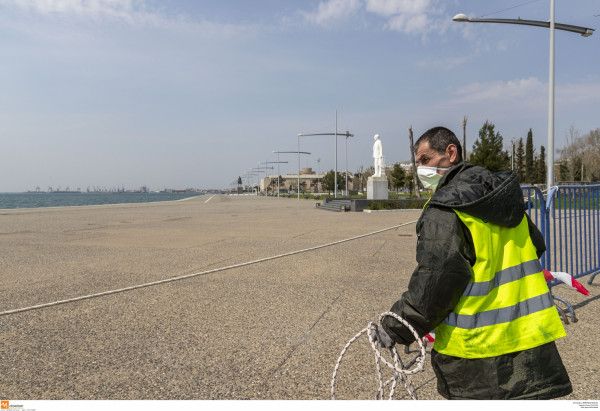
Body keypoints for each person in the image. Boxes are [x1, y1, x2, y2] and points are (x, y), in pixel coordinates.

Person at [376, 126, 572, 400]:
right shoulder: (501, 198)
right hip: (531, 345)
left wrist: (396, 325)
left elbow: (437, 279)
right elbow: (535, 245)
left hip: (477, 356)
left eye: (425, 160)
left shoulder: (446, 208)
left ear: (450, 153)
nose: (420, 169)